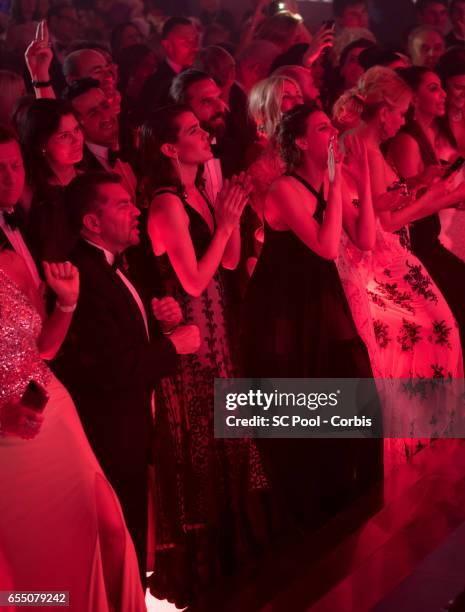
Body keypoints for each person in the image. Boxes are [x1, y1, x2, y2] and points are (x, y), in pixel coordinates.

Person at [139, 105, 268, 608]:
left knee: (230, 433)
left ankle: (239, 549)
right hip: (190, 340)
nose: (205, 134)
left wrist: (230, 213)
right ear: (171, 148)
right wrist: (226, 221)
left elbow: (229, 261)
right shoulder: (167, 202)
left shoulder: (197, 193)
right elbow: (192, 279)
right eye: (193, 130)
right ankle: (203, 566)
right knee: (201, 440)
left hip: (219, 329)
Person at [242, 101, 382, 530]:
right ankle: (311, 518)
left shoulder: (327, 183)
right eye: (323, 129)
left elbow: (365, 238)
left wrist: (362, 183)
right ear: (302, 141)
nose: (333, 135)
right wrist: (338, 184)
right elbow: (324, 246)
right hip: (285, 308)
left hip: (319, 297)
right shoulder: (284, 189)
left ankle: (352, 501)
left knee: (355, 386)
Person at [53, 171, 199, 582]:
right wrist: (174, 346)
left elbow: (128, 341)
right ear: (92, 223)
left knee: (132, 529)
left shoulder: (117, 265)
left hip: (131, 422)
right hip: (108, 430)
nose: (136, 211)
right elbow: (114, 368)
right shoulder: (83, 275)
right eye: (123, 205)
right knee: (119, 537)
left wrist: (163, 326)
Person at [0, 250, 146, 610]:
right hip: (7, 445)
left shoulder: (11, 262)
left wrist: (67, 303)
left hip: (53, 411)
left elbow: (44, 348)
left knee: (109, 528)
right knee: (32, 565)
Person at [337, 66, 464, 469]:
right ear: (384, 111)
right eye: (403, 112)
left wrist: (427, 191)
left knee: (437, 340)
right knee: (434, 338)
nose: (406, 120)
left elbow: (388, 209)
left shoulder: (372, 150)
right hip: (380, 265)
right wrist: (440, 198)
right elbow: (381, 224)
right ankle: (421, 451)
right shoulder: (363, 150)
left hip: (392, 258)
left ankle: (431, 445)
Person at [388, 65, 465, 362]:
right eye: (433, 88)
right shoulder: (407, 141)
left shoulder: (424, 135)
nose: (443, 94)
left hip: (430, 240)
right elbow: (410, 209)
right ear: (413, 98)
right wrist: (452, 196)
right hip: (419, 247)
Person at [19, 98, 83, 262]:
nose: (77, 140)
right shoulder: (28, 192)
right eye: (64, 136)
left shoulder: (88, 180)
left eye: (77, 130)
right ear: (42, 144)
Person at [138, 17, 199, 117]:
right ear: (167, 45)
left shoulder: (196, 76)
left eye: (195, 41)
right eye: (185, 41)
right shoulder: (157, 82)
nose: (194, 48)